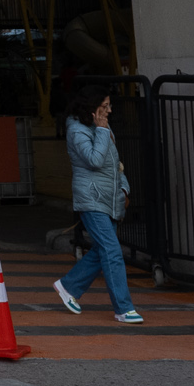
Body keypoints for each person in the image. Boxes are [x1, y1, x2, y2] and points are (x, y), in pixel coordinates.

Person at [50, 79, 141, 323]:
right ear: (93, 107)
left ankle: (68, 287)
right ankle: (123, 308)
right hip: (91, 199)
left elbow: (115, 164)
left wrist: (124, 190)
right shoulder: (77, 129)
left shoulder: (101, 126)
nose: (110, 111)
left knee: (103, 250)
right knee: (112, 251)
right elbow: (95, 160)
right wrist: (101, 130)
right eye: (106, 106)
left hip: (110, 199)